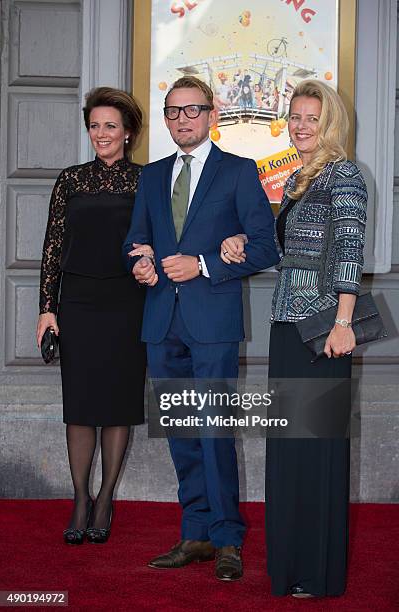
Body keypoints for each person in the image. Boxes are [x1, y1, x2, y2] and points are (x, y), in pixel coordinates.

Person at [122, 76, 279, 581]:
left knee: (214, 432)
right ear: (165, 120)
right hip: (161, 322)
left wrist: (205, 263)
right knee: (183, 433)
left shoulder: (238, 172)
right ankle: (196, 534)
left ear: (211, 114)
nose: (182, 119)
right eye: (173, 112)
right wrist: (139, 262)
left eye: (192, 110)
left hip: (212, 324)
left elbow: (264, 248)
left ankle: (228, 538)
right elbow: (137, 239)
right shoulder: (150, 177)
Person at [221, 79, 368, 597]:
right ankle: (290, 565)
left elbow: (350, 251)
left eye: (312, 118)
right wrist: (242, 240)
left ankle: (316, 571)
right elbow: (292, 256)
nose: (301, 126)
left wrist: (344, 322)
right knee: (289, 446)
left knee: (316, 449)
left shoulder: (344, 175)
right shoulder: (300, 180)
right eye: (295, 116)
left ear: (329, 124)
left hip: (325, 332)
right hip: (288, 328)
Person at [37, 87, 149, 545]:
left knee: (118, 404)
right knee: (80, 406)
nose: (101, 133)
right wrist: (47, 308)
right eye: (95, 125)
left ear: (127, 133)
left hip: (127, 303)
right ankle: (80, 497)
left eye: (110, 126)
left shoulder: (146, 181)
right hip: (78, 302)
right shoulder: (70, 179)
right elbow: (51, 248)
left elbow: (155, 241)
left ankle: (105, 499)